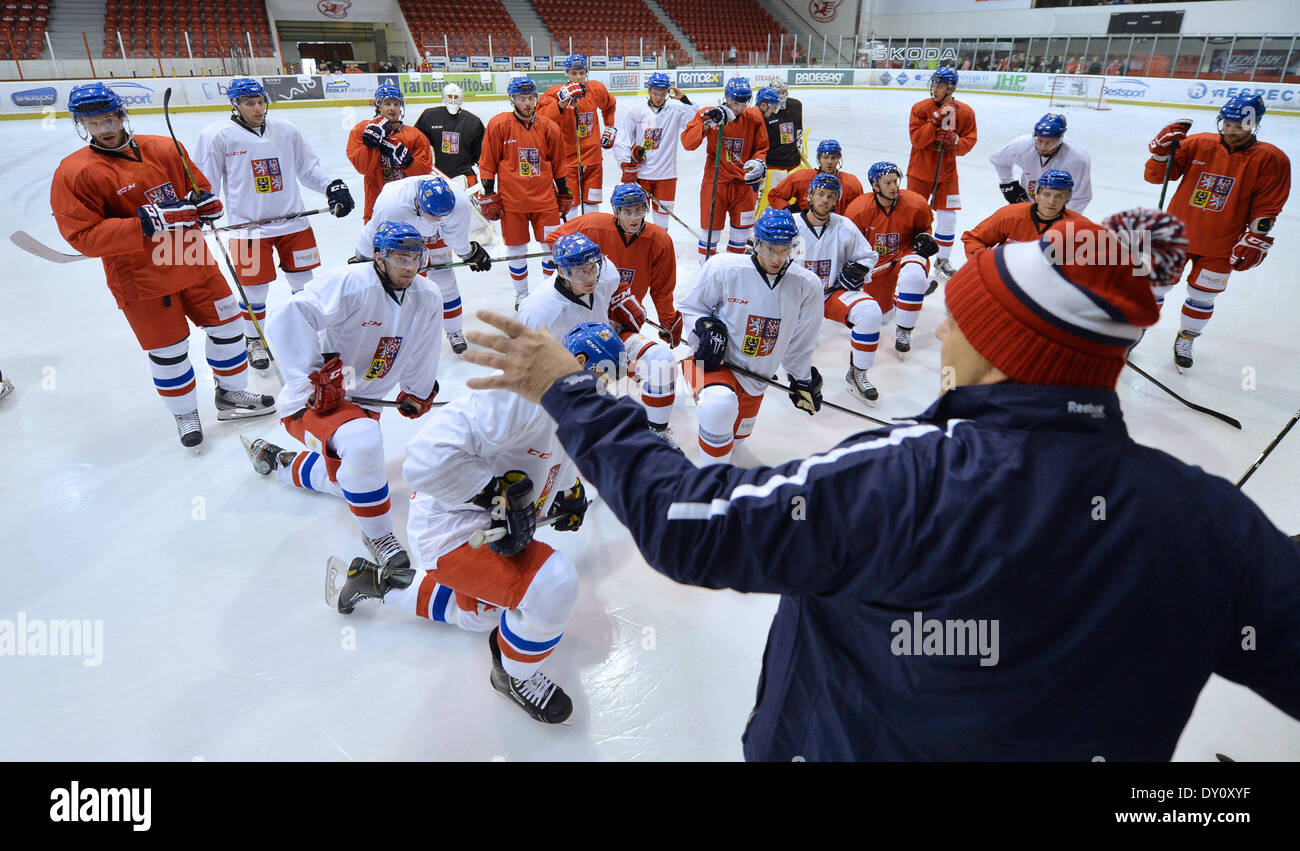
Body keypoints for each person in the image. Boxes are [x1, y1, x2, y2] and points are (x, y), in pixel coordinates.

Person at [459, 207, 1300, 762]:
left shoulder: (908, 478)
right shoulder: (1209, 519)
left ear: (1006, 351)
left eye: (965, 315)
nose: (940, 323)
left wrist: (568, 394)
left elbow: (693, 526)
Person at [329, 321, 626, 725]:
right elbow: (424, 460)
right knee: (552, 582)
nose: (606, 392)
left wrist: (567, 491)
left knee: (481, 617)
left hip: (488, 527)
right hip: (452, 530)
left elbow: (554, 454)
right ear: (577, 363)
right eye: (604, 377)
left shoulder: (569, 404)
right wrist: (493, 495)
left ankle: (378, 581)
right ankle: (513, 675)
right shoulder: (515, 398)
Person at [51, 82, 275, 449]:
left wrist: (207, 205)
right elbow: (83, 236)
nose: (105, 128)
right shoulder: (74, 172)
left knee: (231, 328)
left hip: (192, 260)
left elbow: (198, 188)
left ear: (122, 114)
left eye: (109, 118)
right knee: (170, 351)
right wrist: (146, 221)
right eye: (93, 122)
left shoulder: (166, 147)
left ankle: (231, 395)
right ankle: (185, 412)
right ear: (81, 125)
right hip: (140, 278)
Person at [243, 222, 444, 572]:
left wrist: (418, 390)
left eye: (416, 258)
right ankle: (379, 535)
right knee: (364, 446)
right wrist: (310, 380)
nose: (410, 268)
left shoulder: (427, 295)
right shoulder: (350, 282)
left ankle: (280, 461)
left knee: (351, 477)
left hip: (364, 403)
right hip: (317, 403)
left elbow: (425, 347)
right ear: (379, 256)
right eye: (400, 258)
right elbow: (289, 314)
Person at [195, 77, 356, 371]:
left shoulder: (285, 130)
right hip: (247, 229)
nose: (257, 108)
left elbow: (308, 169)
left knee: (305, 286)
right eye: (249, 103)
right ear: (235, 105)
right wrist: (203, 207)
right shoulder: (217, 135)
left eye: (260, 102)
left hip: (294, 223)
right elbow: (206, 182)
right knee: (254, 291)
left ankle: (311, 335)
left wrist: (332, 185)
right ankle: (254, 338)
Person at [1143, 94, 1291, 371]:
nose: (1232, 130)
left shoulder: (1271, 159)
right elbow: (1155, 177)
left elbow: (1268, 205)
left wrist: (1257, 238)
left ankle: (1186, 338)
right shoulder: (1198, 143)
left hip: (1222, 244)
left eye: (1240, 126)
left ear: (1255, 124)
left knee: (1203, 296)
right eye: (1228, 123)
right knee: (1155, 287)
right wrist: (1160, 153)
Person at [677, 208, 823, 464]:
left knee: (734, 441)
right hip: (711, 362)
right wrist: (702, 327)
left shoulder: (807, 285)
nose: (777, 258)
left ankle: (716, 441)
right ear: (757, 244)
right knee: (719, 405)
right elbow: (690, 307)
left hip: (756, 378)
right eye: (770, 249)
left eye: (784, 249)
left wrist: (802, 379)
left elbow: (801, 340)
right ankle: (713, 485)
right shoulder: (724, 266)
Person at [544, 184, 681, 443]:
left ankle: (657, 434)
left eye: (639, 210)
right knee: (579, 383)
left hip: (619, 324)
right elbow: (555, 242)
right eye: (626, 211)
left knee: (662, 360)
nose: (633, 217)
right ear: (615, 211)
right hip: (581, 324)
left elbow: (663, 288)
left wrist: (668, 322)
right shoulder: (593, 224)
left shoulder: (660, 240)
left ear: (646, 209)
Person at [354, 176, 492, 355]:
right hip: (404, 231)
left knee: (444, 279)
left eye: (442, 215)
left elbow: (456, 237)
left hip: (438, 232)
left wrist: (469, 252)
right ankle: (405, 333)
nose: (437, 218)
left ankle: (454, 330)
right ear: (418, 204)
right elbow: (373, 232)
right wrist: (361, 257)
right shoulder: (392, 205)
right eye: (433, 215)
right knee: (402, 282)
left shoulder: (459, 204)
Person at [477, 76, 572, 309]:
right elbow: (488, 161)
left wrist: (563, 191)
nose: (528, 103)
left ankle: (549, 293)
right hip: (512, 201)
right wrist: (489, 193)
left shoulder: (550, 127)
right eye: (522, 98)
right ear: (512, 100)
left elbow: (558, 163)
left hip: (545, 201)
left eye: (531, 98)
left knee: (550, 246)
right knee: (516, 250)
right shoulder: (499, 124)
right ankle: (521, 295)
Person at [790, 174, 882, 404]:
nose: (825, 200)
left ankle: (857, 373)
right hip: (791, 298)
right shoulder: (791, 224)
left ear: (836, 201)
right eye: (820, 194)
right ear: (809, 196)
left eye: (831, 196)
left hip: (830, 294)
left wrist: (859, 269)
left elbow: (868, 256)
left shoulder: (845, 226)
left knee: (870, 311)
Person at [845, 161, 938, 358]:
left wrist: (926, 240)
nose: (894, 186)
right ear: (875, 186)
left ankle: (904, 331)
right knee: (883, 316)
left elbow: (925, 230)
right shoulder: (858, 210)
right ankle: (902, 298)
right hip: (876, 265)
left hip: (906, 255)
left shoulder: (916, 203)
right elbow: (849, 245)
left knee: (913, 276)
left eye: (895, 181)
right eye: (887, 183)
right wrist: (855, 266)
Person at [681, 77, 769, 262]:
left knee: (741, 236)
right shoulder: (710, 114)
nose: (738, 107)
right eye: (735, 102)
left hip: (744, 185)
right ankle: (707, 275)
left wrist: (759, 162)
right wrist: (707, 123)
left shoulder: (754, 117)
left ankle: (732, 275)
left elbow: (761, 148)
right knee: (710, 234)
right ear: (726, 98)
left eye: (743, 103)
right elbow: (687, 143)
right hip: (716, 182)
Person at [906, 66, 977, 285]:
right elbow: (917, 140)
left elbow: (969, 141)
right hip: (919, 171)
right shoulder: (920, 108)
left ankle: (942, 261)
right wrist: (933, 121)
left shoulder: (964, 112)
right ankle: (911, 259)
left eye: (940, 85)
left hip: (946, 174)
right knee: (914, 218)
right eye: (934, 84)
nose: (935, 88)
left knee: (948, 218)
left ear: (951, 87)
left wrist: (955, 140)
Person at [413, 82, 494, 246]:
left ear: (461, 98)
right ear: (443, 97)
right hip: (436, 174)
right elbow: (415, 141)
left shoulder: (473, 122)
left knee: (471, 211)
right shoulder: (429, 116)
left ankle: (476, 232)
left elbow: (483, 155)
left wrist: (487, 180)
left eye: (456, 97)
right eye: (449, 96)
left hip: (463, 173)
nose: (452, 100)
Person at [611, 71, 695, 229]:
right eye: (655, 93)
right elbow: (622, 139)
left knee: (662, 222)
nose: (658, 98)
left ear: (667, 93)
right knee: (636, 219)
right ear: (649, 91)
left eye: (662, 94)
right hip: (641, 175)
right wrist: (624, 163)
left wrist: (684, 99)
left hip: (667, 176)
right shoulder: (635, 110)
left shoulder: (676, 110)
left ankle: (659, 250)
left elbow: (695, 120)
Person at [537, 54, 617, 216]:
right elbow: (541, 120)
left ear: (586, 72)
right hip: (567, 159)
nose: (578, 77)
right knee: (571, 202)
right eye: (574, 73)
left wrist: (609, 127)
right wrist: (561, 101)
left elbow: (609, 104)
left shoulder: (596, 89)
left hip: (593, 158)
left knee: (592, 200)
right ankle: (572, 235)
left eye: (581, 73)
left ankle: (591, 233)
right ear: (567, 74)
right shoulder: (555, 93)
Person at [346, 84, 433, 221]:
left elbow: (423, 173)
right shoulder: (362, 130)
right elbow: (362, 167)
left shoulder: (415, 135)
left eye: (396, 104)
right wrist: (370, 143)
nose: (392, 108)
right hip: (376, 207)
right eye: (387, 103)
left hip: (409, 207)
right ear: (378, 106)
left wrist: (407, 161)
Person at [961, 169, 1090, 257]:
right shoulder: (1010, 215)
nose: (1051, 201)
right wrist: (983, 262)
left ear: (1067, 199)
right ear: (1037, 195)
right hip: (1005, 279)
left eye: (1059, 196)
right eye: (1047, 194)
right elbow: (973, 239)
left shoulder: (1080, 227)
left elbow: (1102, 259)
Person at [987, 113, 1093, 214]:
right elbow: (998, 160)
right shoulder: (1021, 146)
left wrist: (1063, 221)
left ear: (1060, 139)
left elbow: (1081, 196)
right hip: (1028, 203)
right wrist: (1007, 183)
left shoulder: (1077, 159)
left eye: (1049, 142)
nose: (1042, 147)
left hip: (1057, 208)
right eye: (1040, 140)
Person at [766, 139, 864, 215]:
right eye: (825, 157)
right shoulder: (801, 178)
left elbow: (858, 210)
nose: (829, 162)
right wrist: (788, 212)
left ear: (839, 159)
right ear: (819, 159)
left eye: (833, 158)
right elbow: (775, 195)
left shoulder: (852, 183)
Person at [757, 82, 804, 214]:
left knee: (796, 204)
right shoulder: (764, 112)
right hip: (773, 167)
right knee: (769, 203)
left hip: (794, 164)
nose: (781, 95)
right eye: (777, 92)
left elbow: (799, 132)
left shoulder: (795, 106)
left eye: (783, 91)